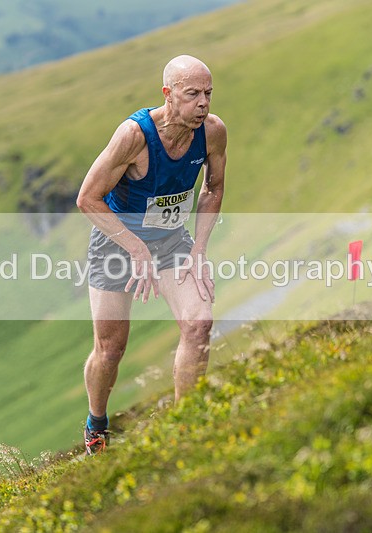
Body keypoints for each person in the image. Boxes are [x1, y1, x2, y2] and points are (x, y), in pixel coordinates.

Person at [76, 55, 227, 455]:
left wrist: (199, 248)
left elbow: (213, 188)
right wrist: (135, 247)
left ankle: (185, 428)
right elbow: (87, 199)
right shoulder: (134, 136)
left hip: (171, 242)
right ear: (168, 93)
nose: (203, 104)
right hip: (115, 242)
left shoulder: (212, 133)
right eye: (192, 94)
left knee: (199, 324)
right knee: (111, 348)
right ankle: (96, 426)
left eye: (208, 94)